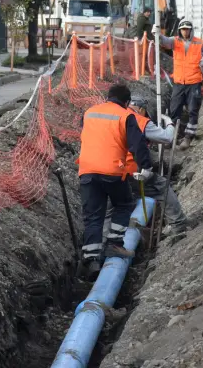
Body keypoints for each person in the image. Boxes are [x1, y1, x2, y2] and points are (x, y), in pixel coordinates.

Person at [77, 84, 155, 281]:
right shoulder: (125, 115)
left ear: (108, 97)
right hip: (112, 170)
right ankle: (114, 244)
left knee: (93, 215)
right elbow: (138, 144)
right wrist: (146, 167)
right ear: (126, 102)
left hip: (86, 170)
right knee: (124, 204)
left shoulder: (90, 112)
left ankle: (91, 260)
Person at [125, 97, 189, 237]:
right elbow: (167, 137)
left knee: (113, 206)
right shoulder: (140, 120)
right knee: (161, 186)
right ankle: (179, 225)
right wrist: (169, 123)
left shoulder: (115, 117)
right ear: (141, 109)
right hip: (130, 169)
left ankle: (106, 242)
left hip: (108, 170)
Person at [153, 20, 203, 149]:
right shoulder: (175, 41)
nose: (185, 31)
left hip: (194, 83)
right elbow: (164, 41)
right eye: (183, 29)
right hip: (179, 83)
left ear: (191, 30)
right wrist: (157, 34)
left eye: (187, 29)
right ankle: (171, 137)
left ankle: (188, 137)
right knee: (174, 110)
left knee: (193, 110)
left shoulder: (199, 43)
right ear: (179, 30)